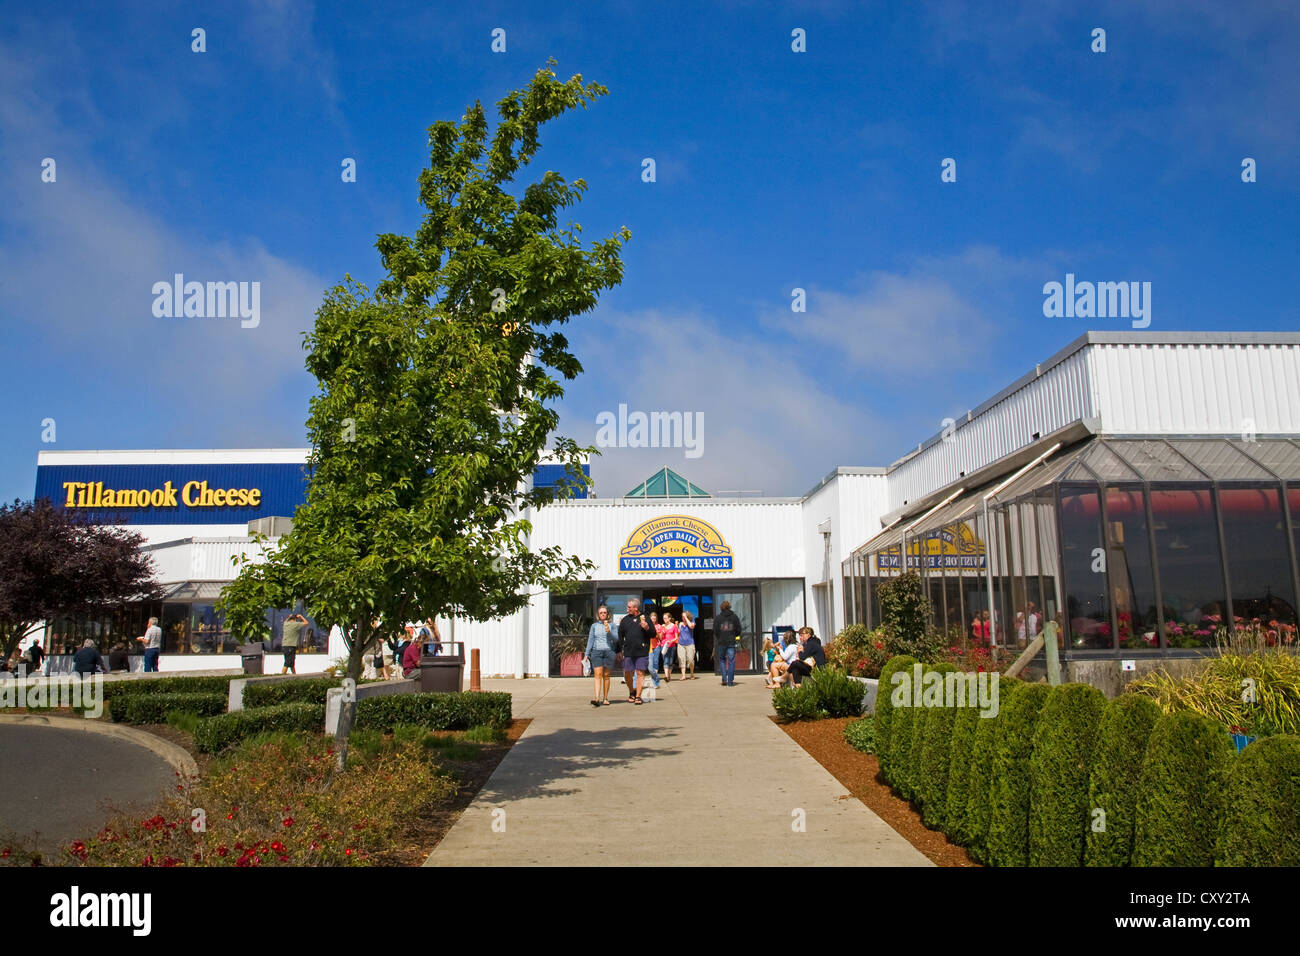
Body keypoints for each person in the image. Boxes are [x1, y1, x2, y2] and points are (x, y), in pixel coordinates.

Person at [617, 598, 653, 705]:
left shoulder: (645, 618)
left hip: (642, 650)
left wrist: (647, 628)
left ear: (635, 608)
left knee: (640, 672)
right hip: (628, 651)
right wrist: (619, 650)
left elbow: (653, 634)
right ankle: (631, 691)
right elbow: (620, 636)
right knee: (627, 673)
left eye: (629, 607)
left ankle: (638, 696)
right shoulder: (625, 620)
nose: (627, 609)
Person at [584, 605, 617, 707]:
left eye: (605, 613)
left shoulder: (612, 625)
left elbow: (616, 639)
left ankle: (606, 698)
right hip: (596, 652)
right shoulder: (594, 626)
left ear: (607, 614)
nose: (603, 614)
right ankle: (597, 698)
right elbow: (591, 640)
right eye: (601, 613)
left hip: (608, 652)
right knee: (597, 675)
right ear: (598, 615)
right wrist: (586, 654)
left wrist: (609, 632)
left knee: (606, 675)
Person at [714, 600, 743, 687]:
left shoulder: (718, 618)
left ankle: (724, 678)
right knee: (731, 661)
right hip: (731, 641)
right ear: (729, 607)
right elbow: (739, 629)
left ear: (721, 607)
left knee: (722, 660)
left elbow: (715, 630)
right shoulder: (734, 617)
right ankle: (730, 682)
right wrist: (734, 635)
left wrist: (719, 637)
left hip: (721, 642)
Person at [676, 610, 697, 679]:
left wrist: (686, 619)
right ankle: (683, 675)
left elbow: (691, 626)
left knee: (690, 660)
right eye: (682, 617)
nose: (683, 618)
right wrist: (677, 626)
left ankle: (691, 673)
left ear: (688, 616)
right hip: (681, 643)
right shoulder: (680, 624)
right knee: (681, 659)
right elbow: (678, 633)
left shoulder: (692, 622)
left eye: (684, 616)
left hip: (690, 643)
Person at [660, 612, 680, 682]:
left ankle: (669, 675)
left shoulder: (674, 626)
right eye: (663, 618)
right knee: (665, 660)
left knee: (670, 661)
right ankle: (666, 676)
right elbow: (660, 637)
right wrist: (662, 632)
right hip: (664, 645)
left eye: (665, 618)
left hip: (671, 645)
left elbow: (676, 637)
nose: (664, 619)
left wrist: (671, 641)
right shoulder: (662, 626)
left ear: (669, 618)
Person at [647, 611, 664, 689]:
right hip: (649, 647)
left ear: (656, 619)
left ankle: (654, 681)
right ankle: (655, 678)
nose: (653, 619)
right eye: (652, 618)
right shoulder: (647, 626)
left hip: (657, 646)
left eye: (654, 618)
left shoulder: (659, 626)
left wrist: (656, 633)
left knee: (655, 663)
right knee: (650, 666)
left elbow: (660, 638)